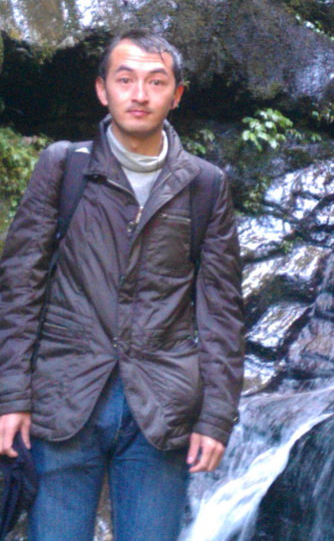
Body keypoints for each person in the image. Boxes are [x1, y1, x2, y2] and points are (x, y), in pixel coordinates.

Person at [0, 30, 244, 541]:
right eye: (125, 79)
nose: (140, 94)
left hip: (161, 409)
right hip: (64, 398)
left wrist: (217, 417)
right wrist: (11, 396)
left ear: (177, 95)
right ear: (102, 89)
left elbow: (221, 311)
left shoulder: (205, 186)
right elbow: (19, 289)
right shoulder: (64, 167)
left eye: (156, 82)